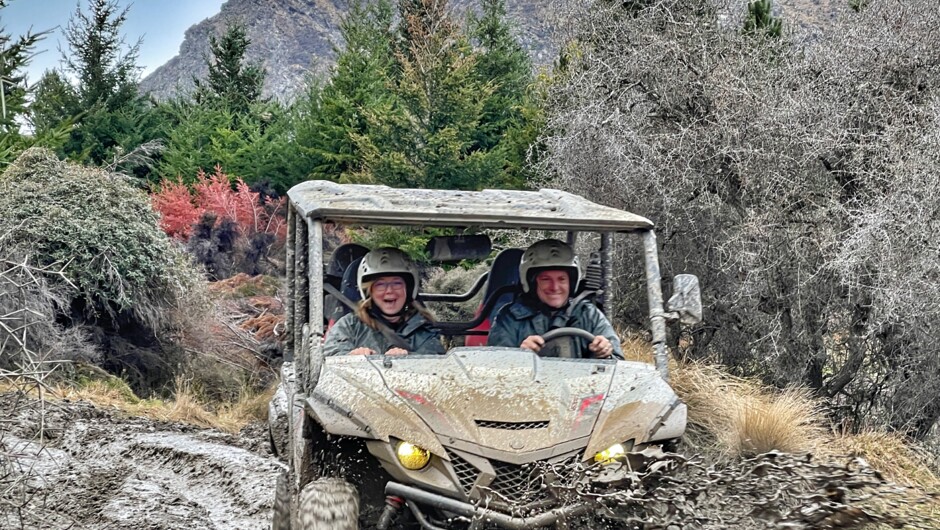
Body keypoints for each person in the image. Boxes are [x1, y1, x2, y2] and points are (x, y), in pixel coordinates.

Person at [487, 239, 623, 359]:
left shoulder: (589, 314)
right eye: (546, 279)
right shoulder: (510, 318)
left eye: (562, 279)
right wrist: (520, 355)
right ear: (532, 283)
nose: (555, 287)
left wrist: (605, 352)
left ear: (572, 282)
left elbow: (618, 368)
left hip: (581, 386)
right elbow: (495, 369)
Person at [324, 247, 445, 356]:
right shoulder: (349, 325)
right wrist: (351, 357)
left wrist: (409, 359)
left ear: (408, 289)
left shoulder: (424, 328)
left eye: (397, 283)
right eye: (380, 284)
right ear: (369, 291)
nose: (389, 290)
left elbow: (436, 362)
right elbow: (330, 355)